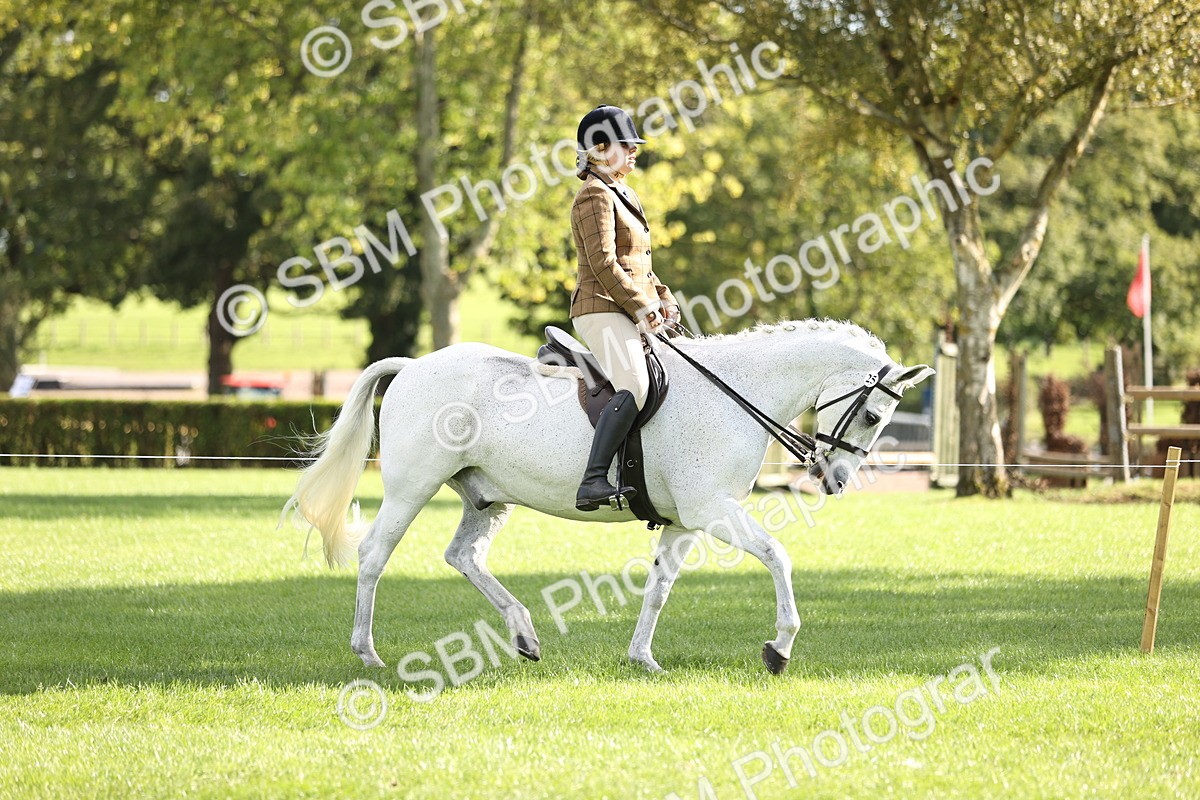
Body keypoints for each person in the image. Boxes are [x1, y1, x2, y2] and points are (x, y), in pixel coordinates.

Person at [569, 104, 680, 512]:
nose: (634, 150)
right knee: (634, 383)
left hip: (627, 304)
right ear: (599, 149)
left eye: (634, 144)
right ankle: (593, 479)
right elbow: (602, 262)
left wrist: (663, 298)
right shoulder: (593, 196)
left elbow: (639, 262)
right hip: (600, 307)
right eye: (626, 144)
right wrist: (639, 306)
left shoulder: (625, 192)